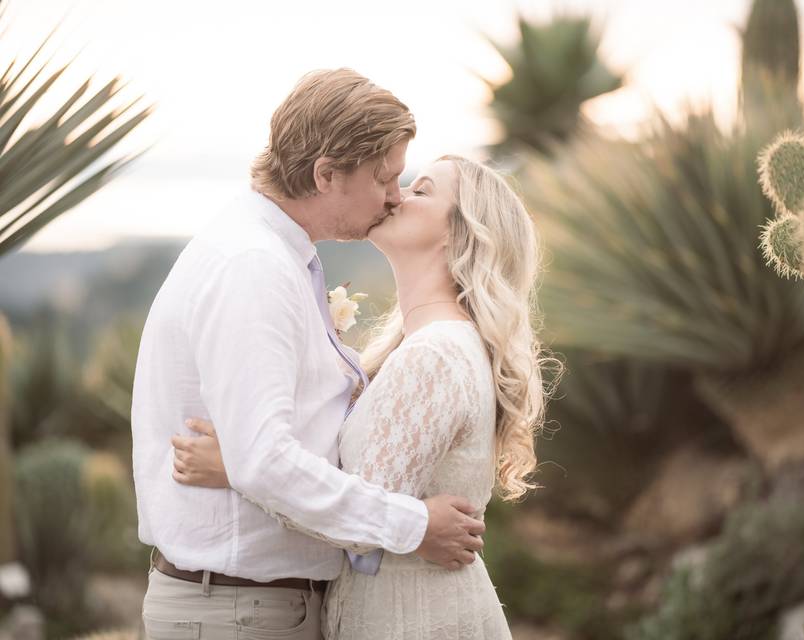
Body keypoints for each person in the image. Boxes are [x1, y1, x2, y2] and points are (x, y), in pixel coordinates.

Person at [132, 69, 486, 640]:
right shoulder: (255, 267)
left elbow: (261, 453)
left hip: (249, 609)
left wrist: (239, 467)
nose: (395, 196)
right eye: (385, 179)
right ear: (326, 174)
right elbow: (265, 461)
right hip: (238, 614)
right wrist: (414, 525)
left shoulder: (272, 255)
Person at [171, 154, 557, 638]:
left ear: (460, 234)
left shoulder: (435, 354)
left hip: (412, 620)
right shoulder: (427, 344)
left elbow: (359, 521)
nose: (396, 196)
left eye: (422, 191)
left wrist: (239, 467)